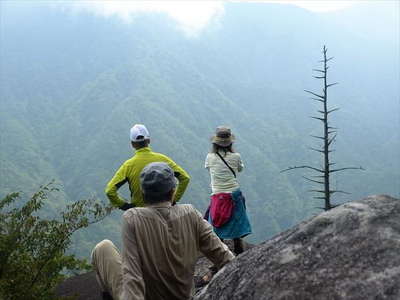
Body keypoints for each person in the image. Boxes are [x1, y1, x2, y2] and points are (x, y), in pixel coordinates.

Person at [92, 162, 235, 300]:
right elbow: (225, 257)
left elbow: (132, 276)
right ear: (173, 191)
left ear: (143, 192)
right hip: (185, 295)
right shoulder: (190, 213)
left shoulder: (133, 219)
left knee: (103, 248)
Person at [105, 124, 190, 210]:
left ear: (132, 144)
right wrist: (173, 200)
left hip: (140, 216)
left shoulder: (128, 165)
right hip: (165, 214)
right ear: (148, 140)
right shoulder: (163, 159)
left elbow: (109, 191)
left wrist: (125, 206)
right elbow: (185, 178)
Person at [205, 126, 252, 256]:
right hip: (234, 195)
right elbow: (240, 169)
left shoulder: (210, 157)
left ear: (215, 143)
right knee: (236, 219)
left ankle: (220, 253)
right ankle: (238, 246)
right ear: (230, 142)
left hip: (218, 195)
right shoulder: (236, 156)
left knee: (217, 223)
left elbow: (208, 168)